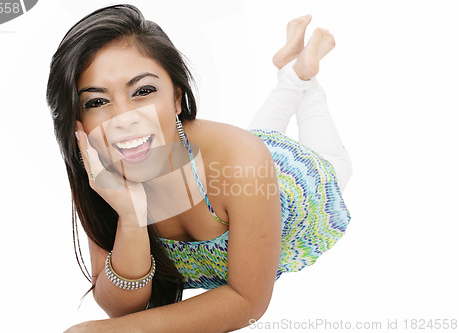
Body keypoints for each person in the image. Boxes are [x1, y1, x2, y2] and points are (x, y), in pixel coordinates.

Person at [46, 4, 352, 332]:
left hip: (295, 184)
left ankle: (301, 74)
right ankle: (292, 72)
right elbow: (120, 306)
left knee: (337, 162)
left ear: (177, 97)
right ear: (78, 121)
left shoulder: (243, 164)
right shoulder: (101, 172)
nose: (126, 119)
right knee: (254, 140)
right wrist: (132, 220)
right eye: (96, 102)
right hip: (237, 158)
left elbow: (247, 300)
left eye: (143, 91)